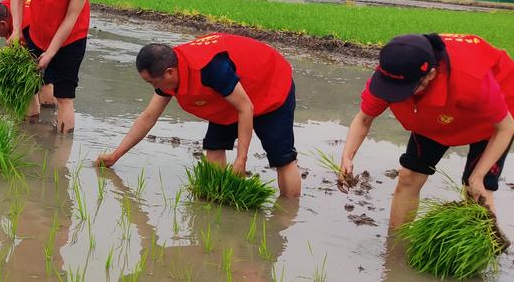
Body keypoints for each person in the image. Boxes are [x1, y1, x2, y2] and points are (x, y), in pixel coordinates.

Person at [339, 33, 514, 228]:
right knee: (409, 177)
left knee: (476, 191)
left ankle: (482, 254)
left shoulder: (472, 80)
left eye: (403, 90)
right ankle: (396, 247)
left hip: (494, 120)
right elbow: (364, 119)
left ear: (430, 75)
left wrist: (479, 175)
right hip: (435, 115)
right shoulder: (392, 74)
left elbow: (506, 127)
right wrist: (347, 156)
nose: (394, 95)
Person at [96, 34, 303, 198]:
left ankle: (288, 216)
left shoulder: (210, 68)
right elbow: (148, 117)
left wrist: (241, 160)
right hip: (229, 94)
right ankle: (219, 200)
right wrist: (116, 154)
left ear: (170, 73)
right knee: (214, 146)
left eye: (153, 82)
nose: (154, 87)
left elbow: (246, 108)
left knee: (282, 157)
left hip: (269, 83)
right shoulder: (172, 70)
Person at [10, 0, 97, 133]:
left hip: (71, 38)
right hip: (38, 31)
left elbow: (72, 16)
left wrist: (50, 53)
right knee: (28, 86)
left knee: (64, 97)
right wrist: (16, 29)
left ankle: (62, 151)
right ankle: (30, 135)